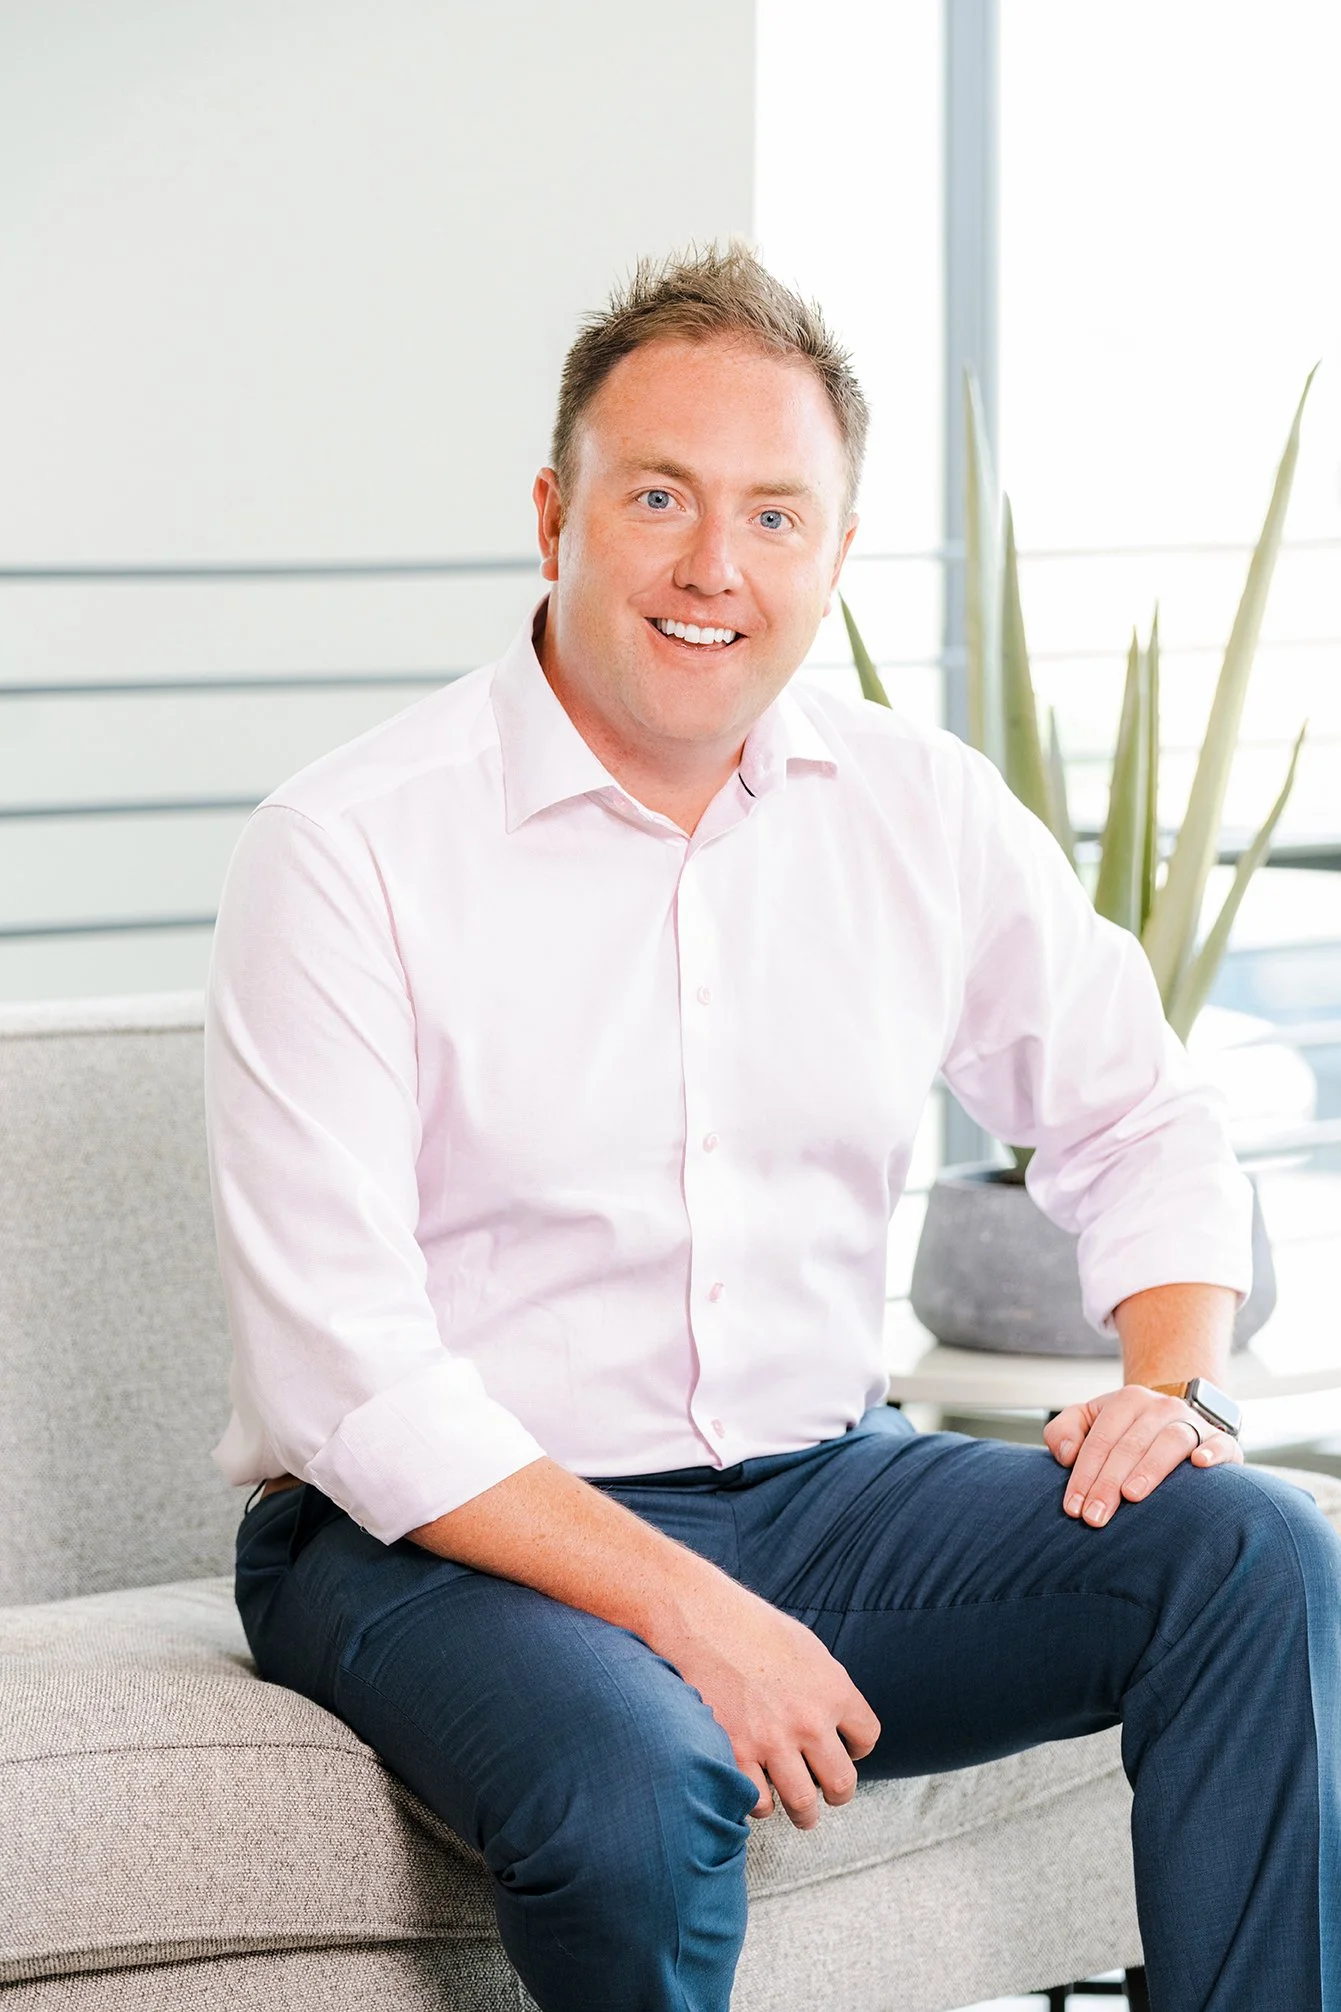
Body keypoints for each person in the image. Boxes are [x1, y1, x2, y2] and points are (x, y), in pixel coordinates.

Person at [206, 244, 1341, 2012]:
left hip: (824, 1487)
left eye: (776, 515)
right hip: (429, 1541)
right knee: (634, 1783)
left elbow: (1137, 1107)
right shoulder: (346, 848)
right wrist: (686, 1615)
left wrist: (1163, 1382)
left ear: (831, 552)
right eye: (658, 495)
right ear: (553, 512)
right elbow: (348, 1375)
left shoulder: (918, 808)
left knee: (1258, 1555)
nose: (713, 567)